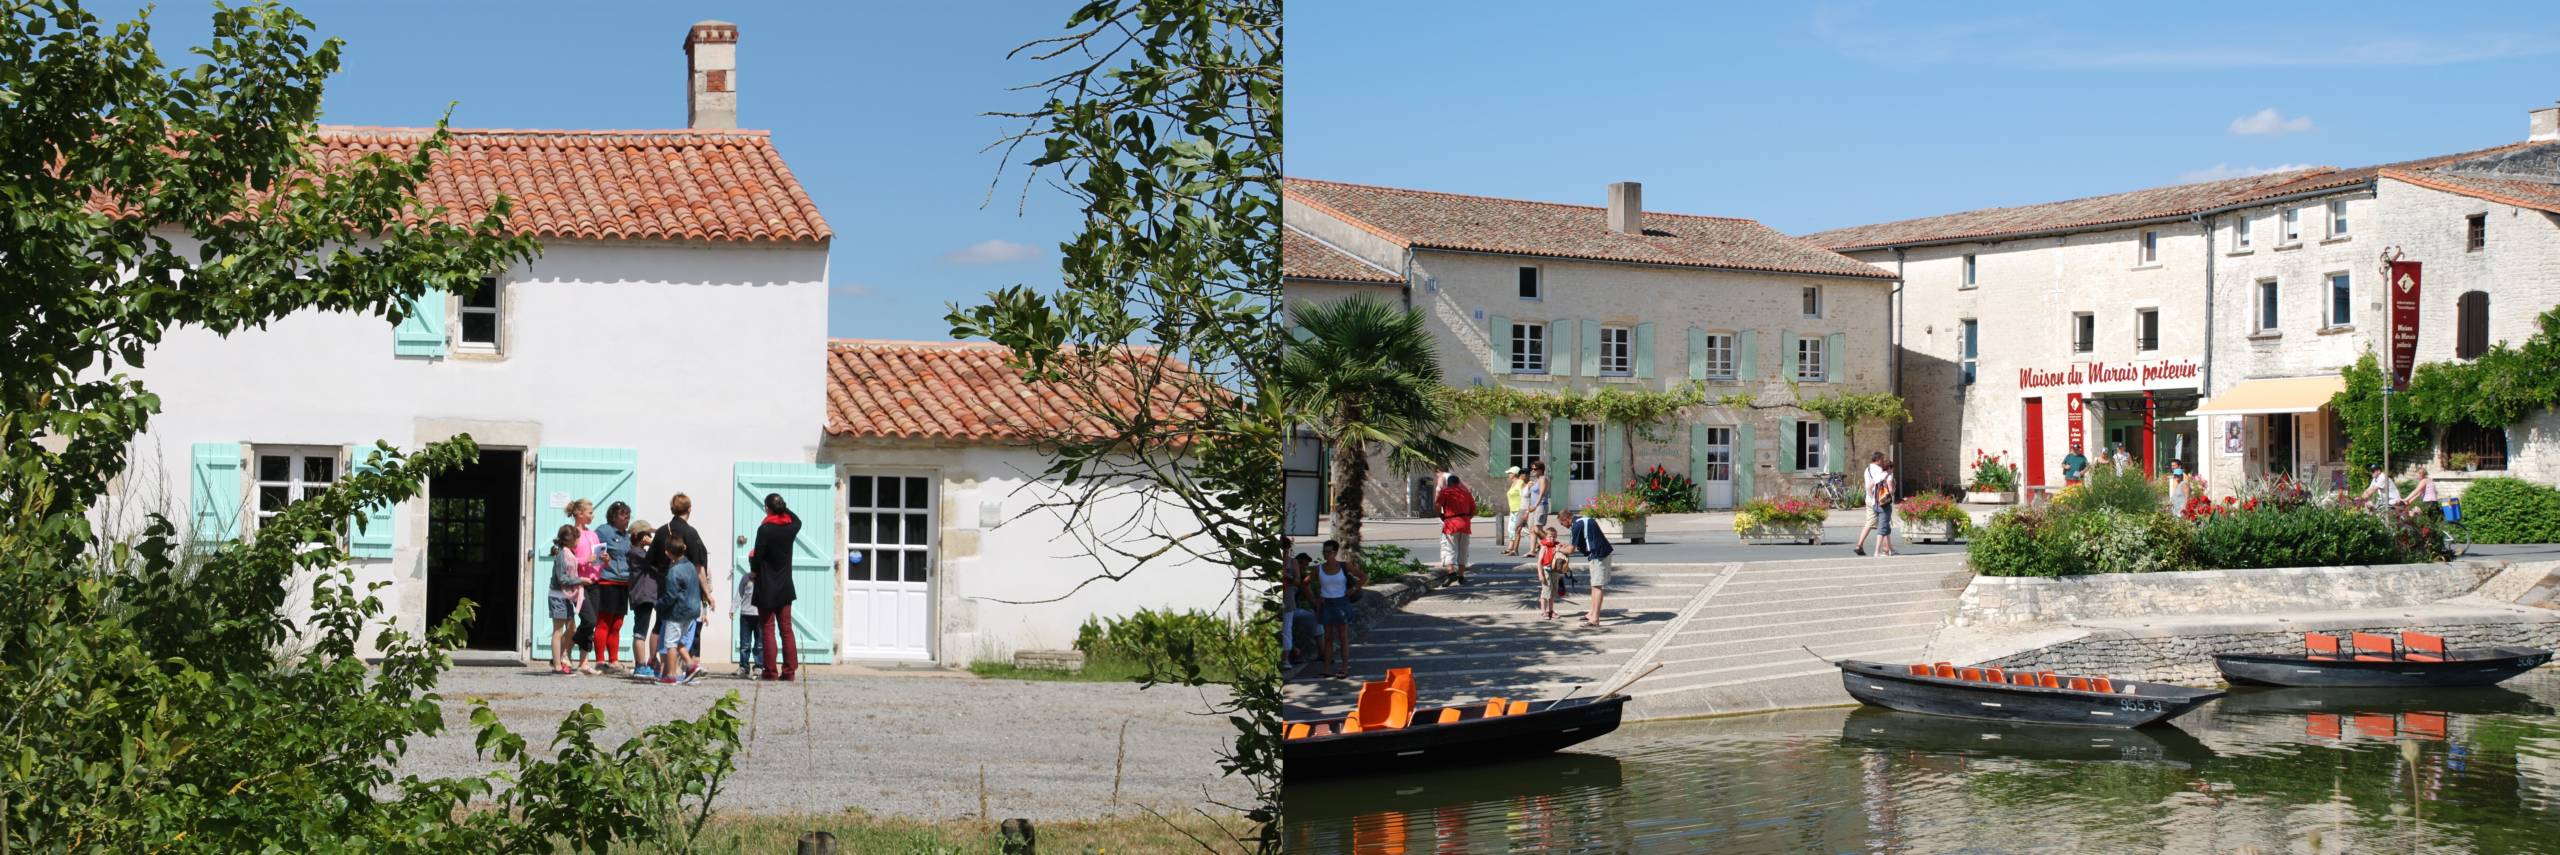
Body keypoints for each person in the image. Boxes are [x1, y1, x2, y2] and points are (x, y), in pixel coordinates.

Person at [751, 492, 802, 681]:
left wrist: (754, 571)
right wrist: (783, 507)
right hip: (785, 584)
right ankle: (789, 671)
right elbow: (798, 520)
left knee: (768, 628)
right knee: (786, 629)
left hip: (766, 583)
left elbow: (758, 555)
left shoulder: (765, 529)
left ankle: (770, 671)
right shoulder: (790, 527)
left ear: (768, 508)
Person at [655, 530, 706, 685]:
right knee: (679, 642)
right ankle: (691, 665)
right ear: (684, 548)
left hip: (677, 613)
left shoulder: (674, 572)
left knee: (670, 643)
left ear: (667, 553)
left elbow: (670, 596)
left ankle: (670, 675)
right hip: (691, 611)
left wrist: (659, 605)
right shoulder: (690, 565)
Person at [590, 502, 636, 672]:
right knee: (603, 622)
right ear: (614, 516)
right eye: (623, 515)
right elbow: (593, 555)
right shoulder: (603, 531)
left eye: (628, 515)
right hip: (607, 581)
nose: (627, 518)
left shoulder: (627, 536)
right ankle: (600, 661)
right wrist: (601, 561)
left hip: (624, 582)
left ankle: (614, 660)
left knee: (617, 623)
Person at [1314, 540, 1363, 679]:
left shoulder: (1344, 566)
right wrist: (1315, 599)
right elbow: (1305, 583)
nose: (1325, 554)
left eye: (1328, 552)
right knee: (1328, 638)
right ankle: (1326, 668)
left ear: (1335, 553)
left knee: (1343, 637)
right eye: (1324, 551)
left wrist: (1353, 589)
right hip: (1326, 604)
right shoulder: (1319, 568)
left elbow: (1363, 577)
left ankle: (1344, 668)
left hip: (1342, 603)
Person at [564, 499, 602, 675]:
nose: (592, 515)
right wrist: (584, 561)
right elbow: (567, 560)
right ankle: (566, 650)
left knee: (591, 625)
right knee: (589, 621)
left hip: (594, 582)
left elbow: (598, 562)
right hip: (579, 585)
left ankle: (584, 662)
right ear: (579, 514)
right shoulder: (572, 534)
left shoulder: (593, 535)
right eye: (590, 512)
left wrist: (604, 562)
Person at [543, 524, 585, 675]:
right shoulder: (562, 555)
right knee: (558, 631)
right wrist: (580, 580)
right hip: (558, 596)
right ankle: (557, 666)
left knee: (572, 628)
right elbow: (563, 579)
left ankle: (559, 658)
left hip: (565, 597)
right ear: (569, 540)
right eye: (576, 539)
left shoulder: (568, 553)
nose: (578, 542)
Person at [1565, 506, 1613, 627]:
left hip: (1598, 554)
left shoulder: (1576, 525)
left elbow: (1571, 549)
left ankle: (1595, 619)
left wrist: (1558, 549)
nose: (1564, 526)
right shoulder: (1584, 519)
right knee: (1595, 585)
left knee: (1597, 586)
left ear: (1567, 518)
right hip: (1604, 551)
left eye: (1563, 523)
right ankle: (1591, 613)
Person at [626, 521, 662, 679]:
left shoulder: (640, 552)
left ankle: (647, 663)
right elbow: (656, 561)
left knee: (646, 628)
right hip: (643, 596)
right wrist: (655, 544)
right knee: (640, 630)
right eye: (647, 534)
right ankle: (640, 665)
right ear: (638, 536)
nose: (650, 537)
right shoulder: (637, 553)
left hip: (648, 595)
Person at [1435, 472, 1477, 586]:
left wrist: (1441, 515)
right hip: (1465, 524)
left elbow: (1438, 505)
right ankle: (1461, 576)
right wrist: (1467, 518)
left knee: (1449, 549)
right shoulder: (1466, 493)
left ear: (1448, 484)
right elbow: (1474, 509)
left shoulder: (1445, 492)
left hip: (1451, 523)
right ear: (1458, 484)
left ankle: (1451, 572)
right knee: (1463, 551)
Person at [1854, 451, 1888, 556]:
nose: (1883, 461)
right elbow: (1881, 482)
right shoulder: (1879, 470)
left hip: (1869, 499)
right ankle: (1885, 549)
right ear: (1877, 460)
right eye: (1882, 459)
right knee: (1884, 522)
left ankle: (1859, 545)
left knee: (1869, 522)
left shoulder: (1867, 469)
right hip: (1878, 499)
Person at [1533, 524, 1567, 620]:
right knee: (1545, 591)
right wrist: (1540, 574)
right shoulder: (1544, 547)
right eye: (1550, 537)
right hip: (1546, 570)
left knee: (1553, 591)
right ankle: (1543, 611)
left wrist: (1561, 573)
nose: (1552, 539)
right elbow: (1539, 562)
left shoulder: (1557, 546)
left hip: (1555, 571)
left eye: (1554, 537)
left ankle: (1551, 610)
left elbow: (1561, 558)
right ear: (1546, 537)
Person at [1517, 461, 1548, 560]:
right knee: (1531, 529)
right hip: (1532, 507)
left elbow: (1541, 494)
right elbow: (1530, 495)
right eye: (1532, 469)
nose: (1533, 471)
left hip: (1540, 506)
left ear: (1541, 469)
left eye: (1535, 469)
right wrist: (1529, 507)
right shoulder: (1535, 481)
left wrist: (1536, 505)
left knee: (1537, 529)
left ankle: (1551, 542)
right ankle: (1532, 550)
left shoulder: (1543, 479)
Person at [734, 561, 761, 679]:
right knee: (745, 643)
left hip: (760, 615)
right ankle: (744, 667)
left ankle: (759, 666)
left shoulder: (764, 577)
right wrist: (733, 608)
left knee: (759, 644)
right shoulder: (745, 577)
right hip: (746, 615)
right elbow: (739, 593)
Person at [1870, 461, 1899, 557]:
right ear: (1890, 468)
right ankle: (1877, 551)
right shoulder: (1889, 477)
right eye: (1892, 468)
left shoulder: (1878, 476)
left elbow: (1869, 487)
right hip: (1885, 505)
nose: (1893, 470)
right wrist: (1894, 488)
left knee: (1885, 526)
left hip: (1876, 504)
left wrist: (1872, 497)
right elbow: (1890, 491)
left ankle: (1889, 549)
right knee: (1882, 529)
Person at [1499, 467, 1526, 554]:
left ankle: (1538, 543)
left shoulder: (1520, 482)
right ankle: (1511, 547)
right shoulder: (1513, 483)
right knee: (1511, 528)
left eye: (1509, 473)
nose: (1508, 475)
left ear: (1514, 474)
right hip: (1513, 510)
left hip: (1519, 509)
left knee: (1524, 529)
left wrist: (1524, 509)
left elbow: (1523, 495)